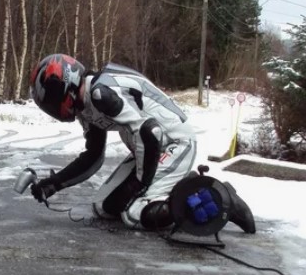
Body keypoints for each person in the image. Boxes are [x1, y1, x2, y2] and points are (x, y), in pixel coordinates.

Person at [27, 54, 255, 233]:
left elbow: (150, 131)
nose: (53, 108)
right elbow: (93, 157)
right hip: (148, 151)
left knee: (136, 214)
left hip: (175, 143)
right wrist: (53, 184)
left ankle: (218, 195)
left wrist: (139, 183)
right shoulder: (86, 105)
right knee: (103, 207)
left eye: (50, 100)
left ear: (65, 87)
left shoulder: (101, 93)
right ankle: (181, 183)